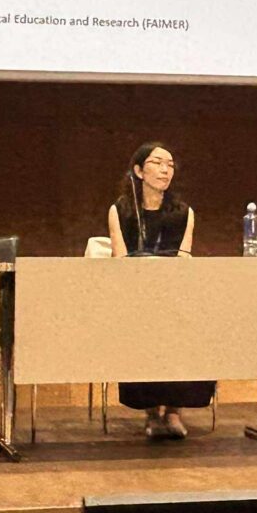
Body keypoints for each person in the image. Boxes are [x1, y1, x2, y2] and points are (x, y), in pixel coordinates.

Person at [106, 142, 210, 441]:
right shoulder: (121, 210)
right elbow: (119, 259)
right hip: (134, 296)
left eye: (170, 165)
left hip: (173, 295)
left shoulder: (183, 212)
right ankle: (151, 412)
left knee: (192, 331)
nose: (165, 170)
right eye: (157, 163)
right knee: (141, 332)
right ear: (139, 171)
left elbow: (184, 258)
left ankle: (175, 411)